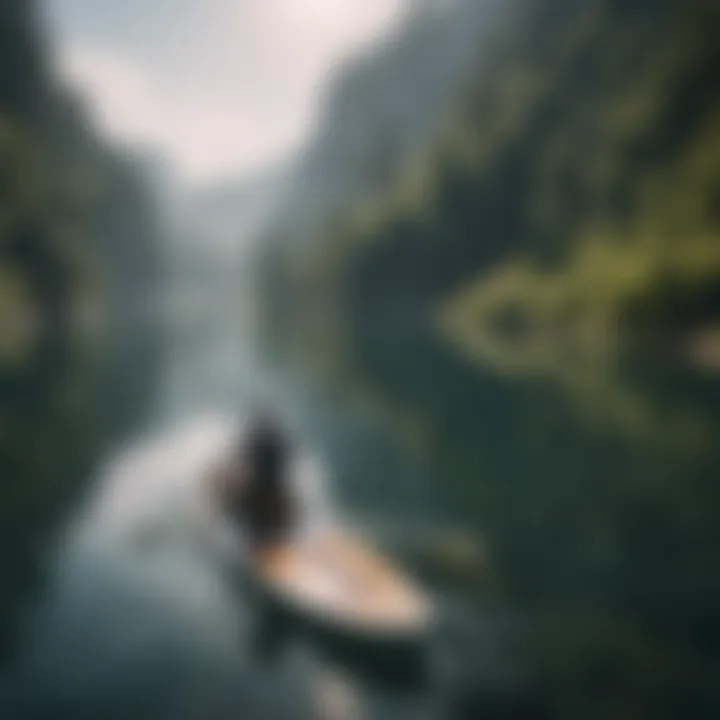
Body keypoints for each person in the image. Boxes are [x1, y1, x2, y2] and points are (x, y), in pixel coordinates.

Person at [222, 411, 295, 546]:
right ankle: (272, 532)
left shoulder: (258, 443)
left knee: (239, 497)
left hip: (263, 493)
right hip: (270, 491)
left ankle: (260, 535)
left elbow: (244, 466)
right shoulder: (275, 442)